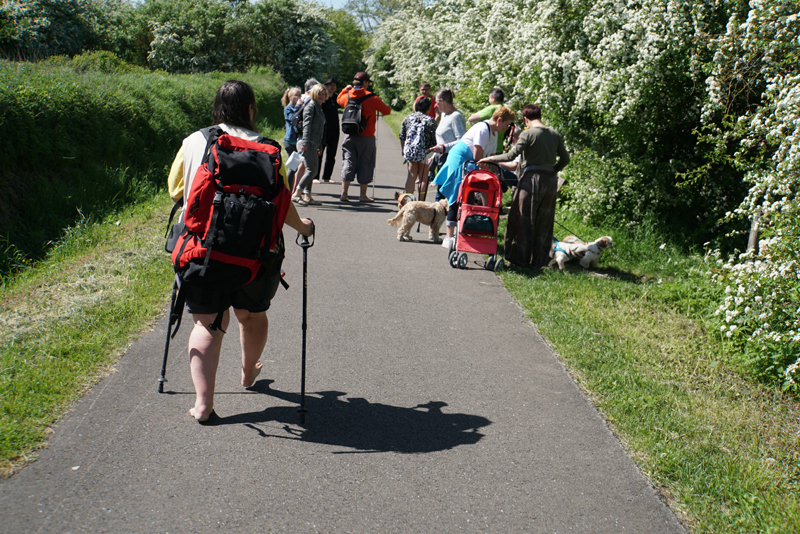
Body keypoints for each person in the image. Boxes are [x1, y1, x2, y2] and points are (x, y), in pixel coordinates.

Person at [167, 80, 314, 423]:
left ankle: (203, 405)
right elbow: (283, 203)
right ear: (250, 109)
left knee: (208, 323)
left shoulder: (194, 141)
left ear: (217, 107)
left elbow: (177, 191)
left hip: (203, 251)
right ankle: (249, 371)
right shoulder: (268, 149)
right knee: (251, 314)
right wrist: (305, 227)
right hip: (258, 255)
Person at [479, 104, 569, 269]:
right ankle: (538, 261)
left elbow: (511, 155)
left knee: (522, 219)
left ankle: (519, 260)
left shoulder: (528, 133)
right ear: (540, 116)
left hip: (530, 180)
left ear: (525, 119)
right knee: (544, 221)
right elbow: (565, 159)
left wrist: (490, 159)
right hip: (550, 182)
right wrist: (551, 172)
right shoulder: (554, 134)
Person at [433, 106, 515, 249]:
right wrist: (492, 172)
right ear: (499, 120)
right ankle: (449, 236)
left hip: (472, 164)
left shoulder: (494, 134)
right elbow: (479, 158)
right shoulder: (482, 129)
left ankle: (465, 231)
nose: (506, 128)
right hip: (461, 161)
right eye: (506, 124)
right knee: (456, 197)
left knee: (469, 197)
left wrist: (497, 172)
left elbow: (490, 158)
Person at [336, 71, 392, 202]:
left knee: (348, 162)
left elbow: (338, 100)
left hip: (349, 135)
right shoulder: (372, 98)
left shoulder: (347, 96)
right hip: (367, 137)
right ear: (365, 83)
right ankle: (362, 196)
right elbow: (387, 111)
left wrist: (345, 89)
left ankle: (344, 194)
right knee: (365, 164)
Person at [426, 88, 466, 197]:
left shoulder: (456, 116)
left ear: (442, 101)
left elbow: (462, 140)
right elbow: (441, 139)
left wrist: (443, 148)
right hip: (441, 157)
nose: (435, 106)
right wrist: (435, 155)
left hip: (450, 159)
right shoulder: (444, 115)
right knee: (439, 193)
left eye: (436, 102)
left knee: (443, 194)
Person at [295, 83, 327, 206]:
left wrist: (319, 146)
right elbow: (307, 126)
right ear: (314, 93)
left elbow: (319, 129)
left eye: (323, 94)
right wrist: (305, 142)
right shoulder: (311, 106)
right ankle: (297, 194)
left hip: (313, 144)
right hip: (307, 143)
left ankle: (308, 196)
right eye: (319, 94)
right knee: (312, 171)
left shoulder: (319, 107)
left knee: (312, 169)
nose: (322, 96)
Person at [399, 96, 437, 194]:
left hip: (410, 150)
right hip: (425, 151)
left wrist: (403, 149)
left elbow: (402, 135)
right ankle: (420, 203)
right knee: (423, 178)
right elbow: (434, 139)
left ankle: (408, 202)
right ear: (428, 108)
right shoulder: (431, 121)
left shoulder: (408, 118)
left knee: (411, 176)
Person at [468, 87, 505, 154]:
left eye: (489, 98)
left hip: (489, 149)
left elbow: (471, 119)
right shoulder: (506, 110)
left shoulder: (492, 109)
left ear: (493, 98)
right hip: (499, 148)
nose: (489, 100)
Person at [316, 77, 340, 184]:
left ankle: (327, 176)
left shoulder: (337, 97)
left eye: (333, 85)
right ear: (326, 86)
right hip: (323, 129)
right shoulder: (322, 97)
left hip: (335, 129)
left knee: (331, 154)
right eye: (330, 85)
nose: (332, 86)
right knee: (319, 153)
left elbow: (346, 100)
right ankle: (315, 177)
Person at [281, 86, 302, 188]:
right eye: (296, 95)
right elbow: (293, 119)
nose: (298, 97)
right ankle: (288, 189)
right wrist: (298, 107)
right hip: (289, 141)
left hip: (297, 141)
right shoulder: (287, 108)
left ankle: (292, 187)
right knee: (293, 166)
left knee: (296, 166)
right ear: (290, 96)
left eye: (299, 95)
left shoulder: (299, 107)